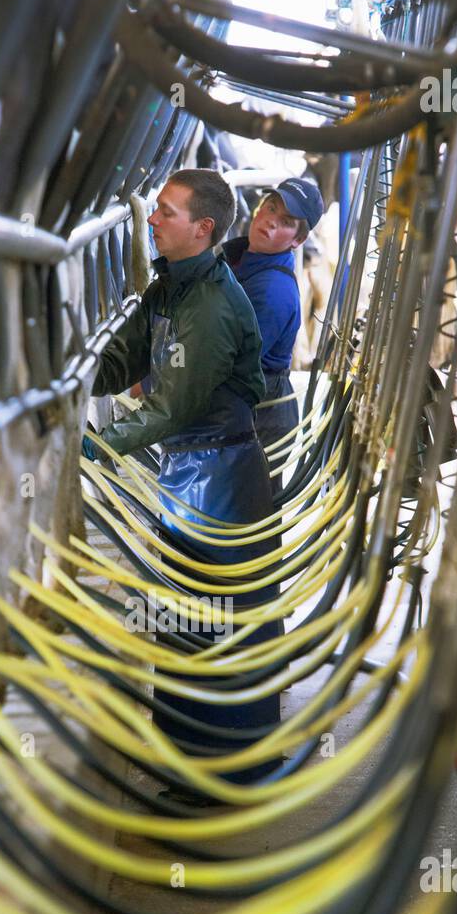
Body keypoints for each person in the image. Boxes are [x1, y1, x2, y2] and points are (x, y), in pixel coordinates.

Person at [84, 168, 282, 789]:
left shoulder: (213, 305)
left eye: (164, 212)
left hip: (222, 478)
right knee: (185, 620)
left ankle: (232, 773)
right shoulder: (171, 287)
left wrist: (88, 446)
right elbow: (126, 356)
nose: (150, 220)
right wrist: (69, 381)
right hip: (190, 474)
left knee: (218, 625)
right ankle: (191, 763)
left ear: (202, 228)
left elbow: (173, 406)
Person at [222, 177, 324, 480]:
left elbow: (228, 362)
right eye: (270, 208)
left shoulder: (272, 291)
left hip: (261, 419)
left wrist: (154, 384)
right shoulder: (242, 260)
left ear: (297, 240)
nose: (270, 221)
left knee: (248, 521)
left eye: (286, 221)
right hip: (244, 410)